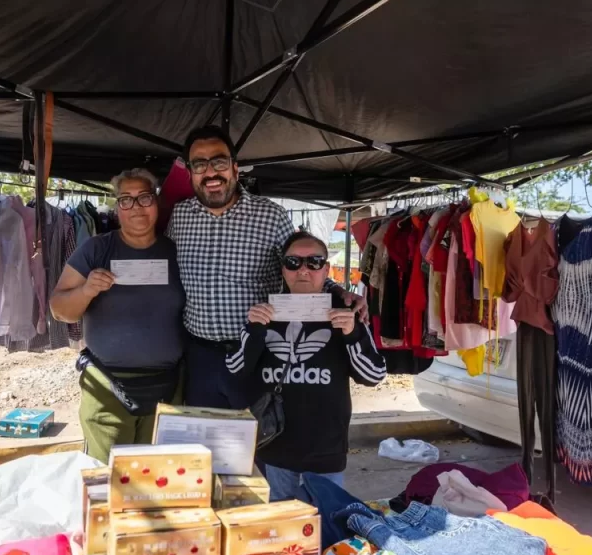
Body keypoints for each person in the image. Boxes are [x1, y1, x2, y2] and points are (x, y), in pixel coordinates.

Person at [168, 125, 363, 408]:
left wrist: (338, 292)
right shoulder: (180, 216)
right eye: (199, 165)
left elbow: (300, 267)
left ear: (235, 169)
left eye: (219, 162)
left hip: (257, 351)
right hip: (200, 356)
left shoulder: (271, 215)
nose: (210, 173)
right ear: (190, 173)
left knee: (257, 440)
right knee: (206, 441)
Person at [226, 232, 387, 502]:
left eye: (313, 262)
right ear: (283, 269)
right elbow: (236, 369)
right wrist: (254, 330)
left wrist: (352, 334)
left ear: (326, 269)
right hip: (275, 444)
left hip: (326, 447)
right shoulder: (266, 312)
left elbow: (373, 375)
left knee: (327, 524)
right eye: (293, 262)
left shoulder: (346, 312)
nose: (303, 270)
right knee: (282, 525)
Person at [50, 169, 186, 463]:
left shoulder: (177, 252)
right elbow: (59, 309)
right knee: (106, 483)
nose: (136, 207)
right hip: (107, 388)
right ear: (116, 208)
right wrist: (87, 290)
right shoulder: (97, 249)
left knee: (156, 481)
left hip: (168, 389)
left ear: (157, 203)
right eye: (126, 200)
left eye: (144, 198)